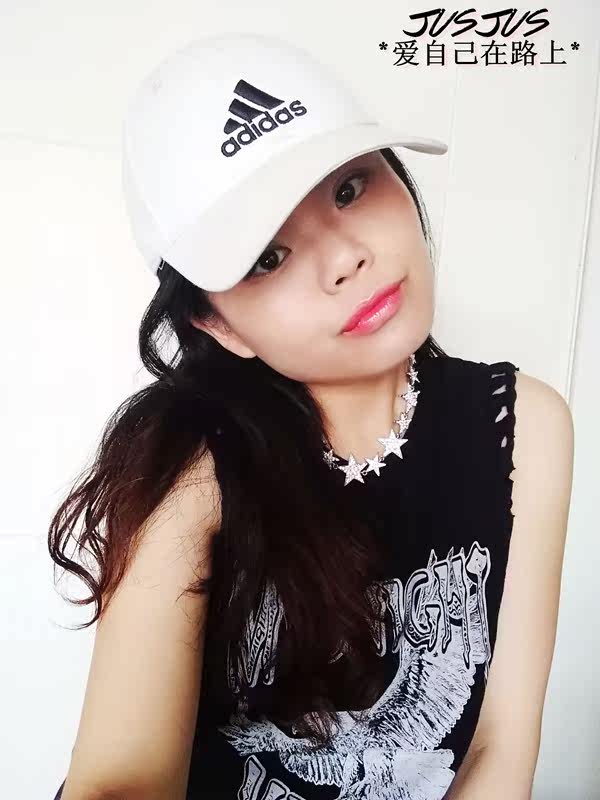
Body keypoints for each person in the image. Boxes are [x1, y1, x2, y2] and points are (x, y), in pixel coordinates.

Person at [49, 33, 574, 800]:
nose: (344, 258)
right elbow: (120, 782)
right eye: (268, 256)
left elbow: (498, 747)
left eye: (350, 188)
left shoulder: (524, 425)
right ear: (216, 324)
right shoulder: (191, 465)